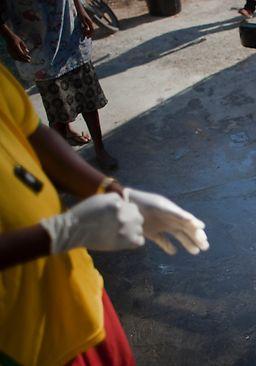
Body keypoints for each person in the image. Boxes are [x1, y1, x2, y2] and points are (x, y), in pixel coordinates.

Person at [0, 64, 209, 365]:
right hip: (22, 344)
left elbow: (31, 133)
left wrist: (113, 192)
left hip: (81, 297)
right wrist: (59, 233)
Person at [0, 0, 118, 170]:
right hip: (35, 35)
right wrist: (9, 36)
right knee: (57, 106)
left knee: (87, 92)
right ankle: (63, 162)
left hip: (67, 24)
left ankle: (100, 148)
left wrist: (80, 9)